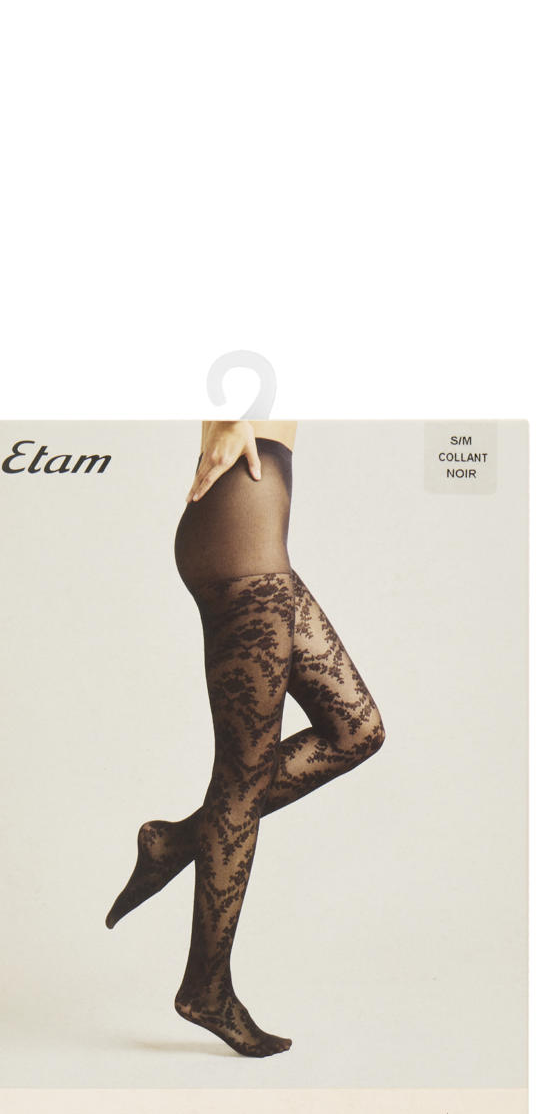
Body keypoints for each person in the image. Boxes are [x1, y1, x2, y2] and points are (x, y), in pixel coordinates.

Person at [106, 421, 385, 1056]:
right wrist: (230, 416)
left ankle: (175, 840)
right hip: (240, 538)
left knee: (356, 730)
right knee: (243, 775)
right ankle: (206, 988)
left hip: (254, 537)